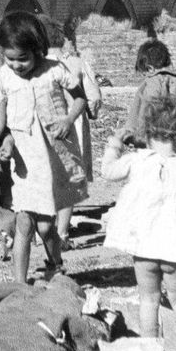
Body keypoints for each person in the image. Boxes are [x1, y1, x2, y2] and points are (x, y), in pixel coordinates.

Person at [0, 11, 87, 284]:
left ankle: (55, 263)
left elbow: (80, 99)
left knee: (46, 227)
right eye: (10, 58)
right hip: (22, 163)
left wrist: (68, 119)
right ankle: (20, 284)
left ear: (38, 49)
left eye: (22, 58)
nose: (16, 65)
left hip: (51, 159)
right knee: (23, 223)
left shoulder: (54, 70)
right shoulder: (2, 78)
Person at [102, 93, 176, 348]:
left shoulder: (136, 161)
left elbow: (107, 171)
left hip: (144, 248)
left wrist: (115, 143)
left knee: (148, 299)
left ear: (147, 133)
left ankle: (149, 350)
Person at [49, 24, 104, 251]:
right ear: (62, 40)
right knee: (70, 177)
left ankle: (41, 228)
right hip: (72, 125)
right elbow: (93, 97)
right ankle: (61, 232)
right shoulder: (77, 63)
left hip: (45, 126)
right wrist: (92, 113)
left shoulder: (32, 66)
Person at [124, 39, 176, 155]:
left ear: (149, 68)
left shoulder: (152, 82)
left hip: (157, 141)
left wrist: (136, 136)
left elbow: (145, 111)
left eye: (144, 73)